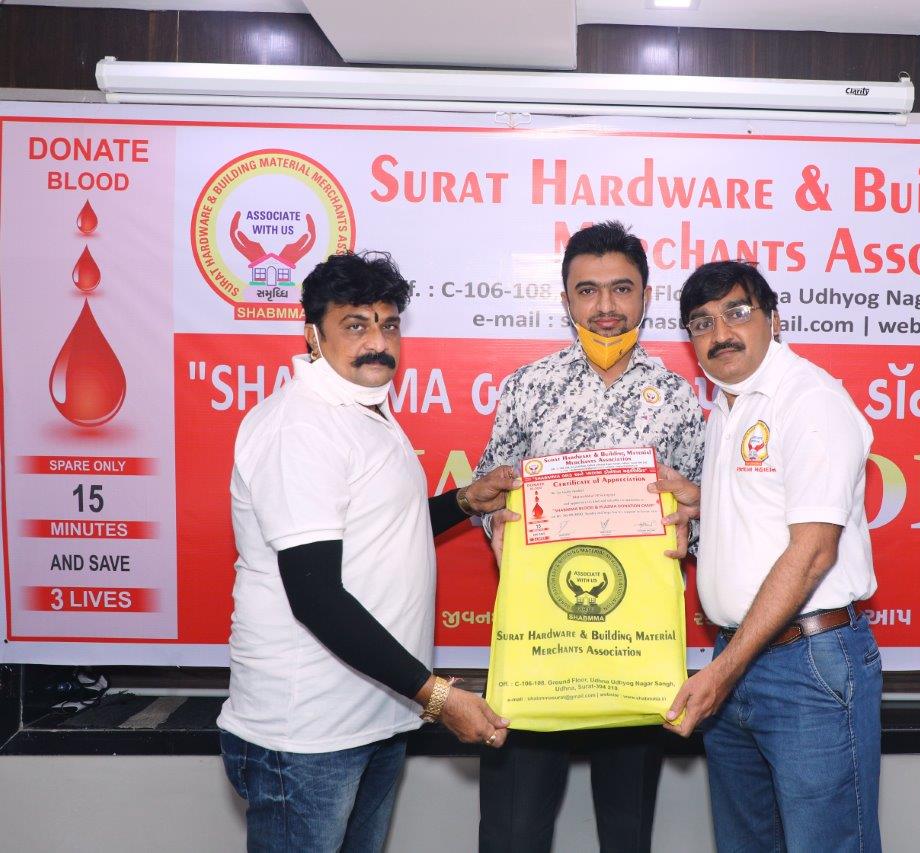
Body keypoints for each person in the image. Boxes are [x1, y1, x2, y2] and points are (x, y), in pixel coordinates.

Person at [218, 251, 516, 852]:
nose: (378, 342)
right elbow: (316, 597)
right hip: (309, 733)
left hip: (374, 712)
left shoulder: (361, 408)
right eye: (356, 325)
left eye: (389, 324)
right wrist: (437, 696)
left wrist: (462, 502)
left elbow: (379, 527)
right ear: (313, 334)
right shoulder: (302, 426)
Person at [474, 221, 705, 853]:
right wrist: (496, 522)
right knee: (514, 832)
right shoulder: (528, 386)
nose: (606, 307)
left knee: (627, 834)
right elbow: (486, 493)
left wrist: (693, 521)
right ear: (566, 299)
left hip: (635, 649)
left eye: (621, 289)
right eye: (588, 290)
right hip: (537, 647)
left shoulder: (678, 398)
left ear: (646, 296)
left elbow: (701, 512)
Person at [655, 260, 882, 852]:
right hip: (737, 658)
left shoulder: (809, 399)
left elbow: (813, 552)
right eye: (702, 322)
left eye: (737, 312)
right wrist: (704, 502)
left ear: (774, 320)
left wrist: (722, 672)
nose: (720, 333)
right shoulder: (727, 406)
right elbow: (771, 506)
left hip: (805, 666)